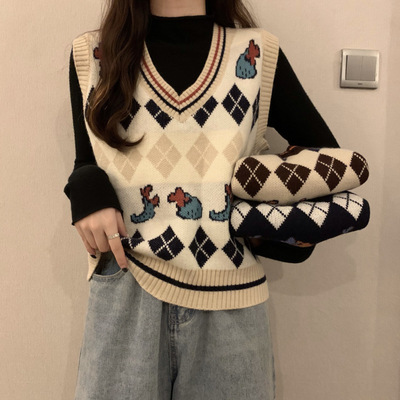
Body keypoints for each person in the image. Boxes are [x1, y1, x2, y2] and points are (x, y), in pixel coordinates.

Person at [64, 0, 339, 399]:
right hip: (127, 287)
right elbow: (87, 160)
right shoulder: (95, 55)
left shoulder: (258, 54)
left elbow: (326, 166)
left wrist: (264, 228)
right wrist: (87, 189)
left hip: (230, 299)